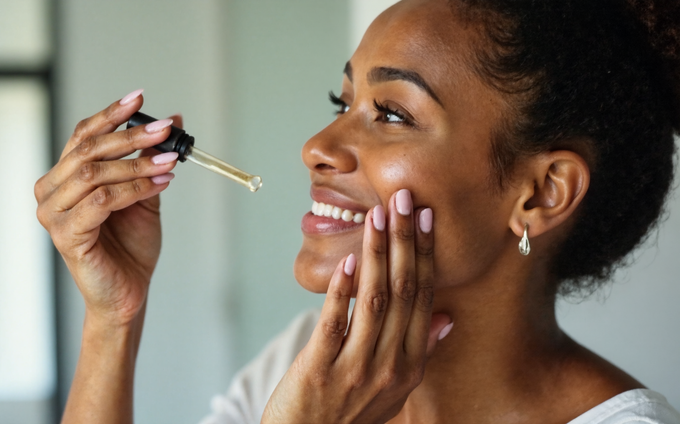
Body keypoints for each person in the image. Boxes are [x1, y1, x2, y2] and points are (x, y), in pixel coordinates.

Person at [35, 0, 680, 422]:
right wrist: (112, 320)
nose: (317, 146)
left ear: (541, 193)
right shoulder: (314, 359)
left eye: (392, 114)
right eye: (341, 102)